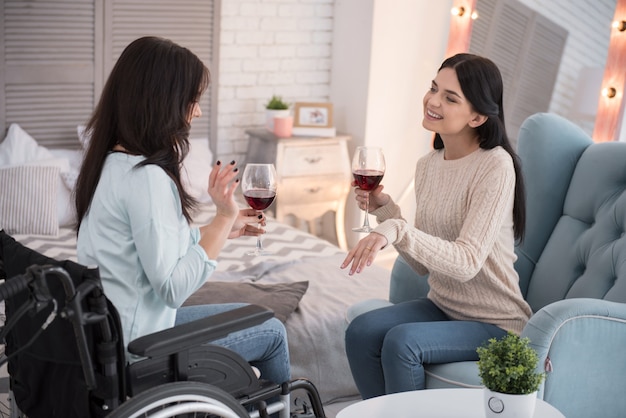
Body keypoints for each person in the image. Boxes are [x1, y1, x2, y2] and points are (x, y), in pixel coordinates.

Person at [74, 36, 290, 385]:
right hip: (140, 350)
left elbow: (150, 246)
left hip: (113, 338)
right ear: (163, 101)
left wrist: (221, 229)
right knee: (273, 330)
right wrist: (221, 217)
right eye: (192, 99)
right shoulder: (148, 179)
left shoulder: (109, 164)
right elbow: (173, 288)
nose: (198, 111)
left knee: (255, 321)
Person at [340, 53, 532, 399]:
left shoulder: (496, 166)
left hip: (495, 323)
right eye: (434, 88)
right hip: (443, 306)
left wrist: (396, 229)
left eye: (450, 97)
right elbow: (422, 264)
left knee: (402, 343)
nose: (432, 101)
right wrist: (387, 212)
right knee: (361, 330)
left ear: (477, 116)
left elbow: (466, 261)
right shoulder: (428, 165)